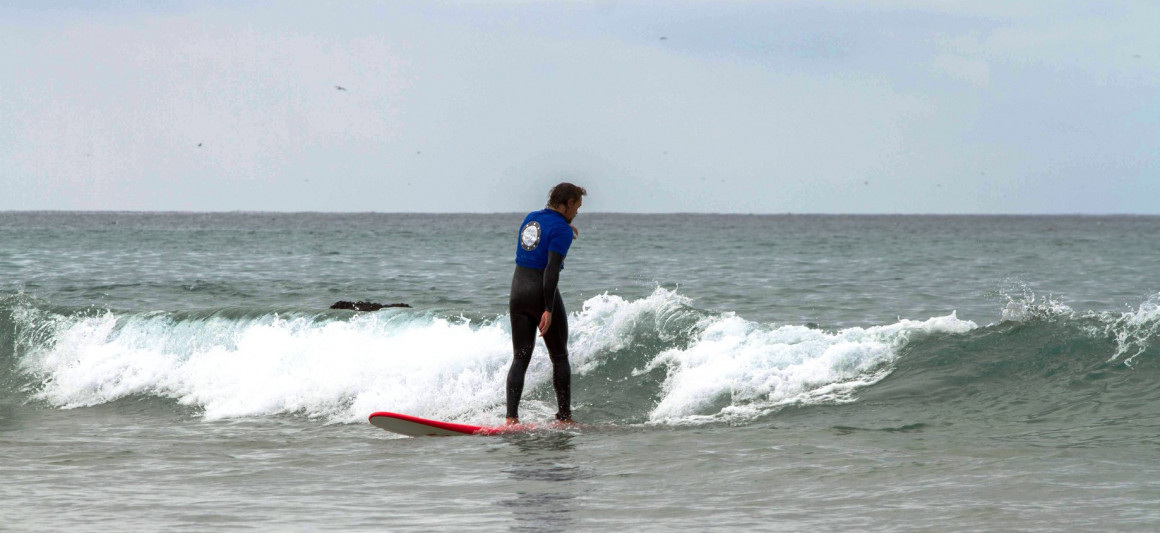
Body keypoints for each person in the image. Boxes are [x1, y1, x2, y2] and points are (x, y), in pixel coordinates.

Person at [506, 182, 586, 426]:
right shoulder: (561, 230)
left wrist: (563, 226)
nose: (577, 212)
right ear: (568, 203)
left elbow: (541, 237)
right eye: (577, 207)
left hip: (517, 293)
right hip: (540, 294)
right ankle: (564, 418)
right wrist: (548, 309)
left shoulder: (531, 219)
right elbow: (551, 271)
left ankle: (511, 419)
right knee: (560, 357)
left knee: (520, 358)